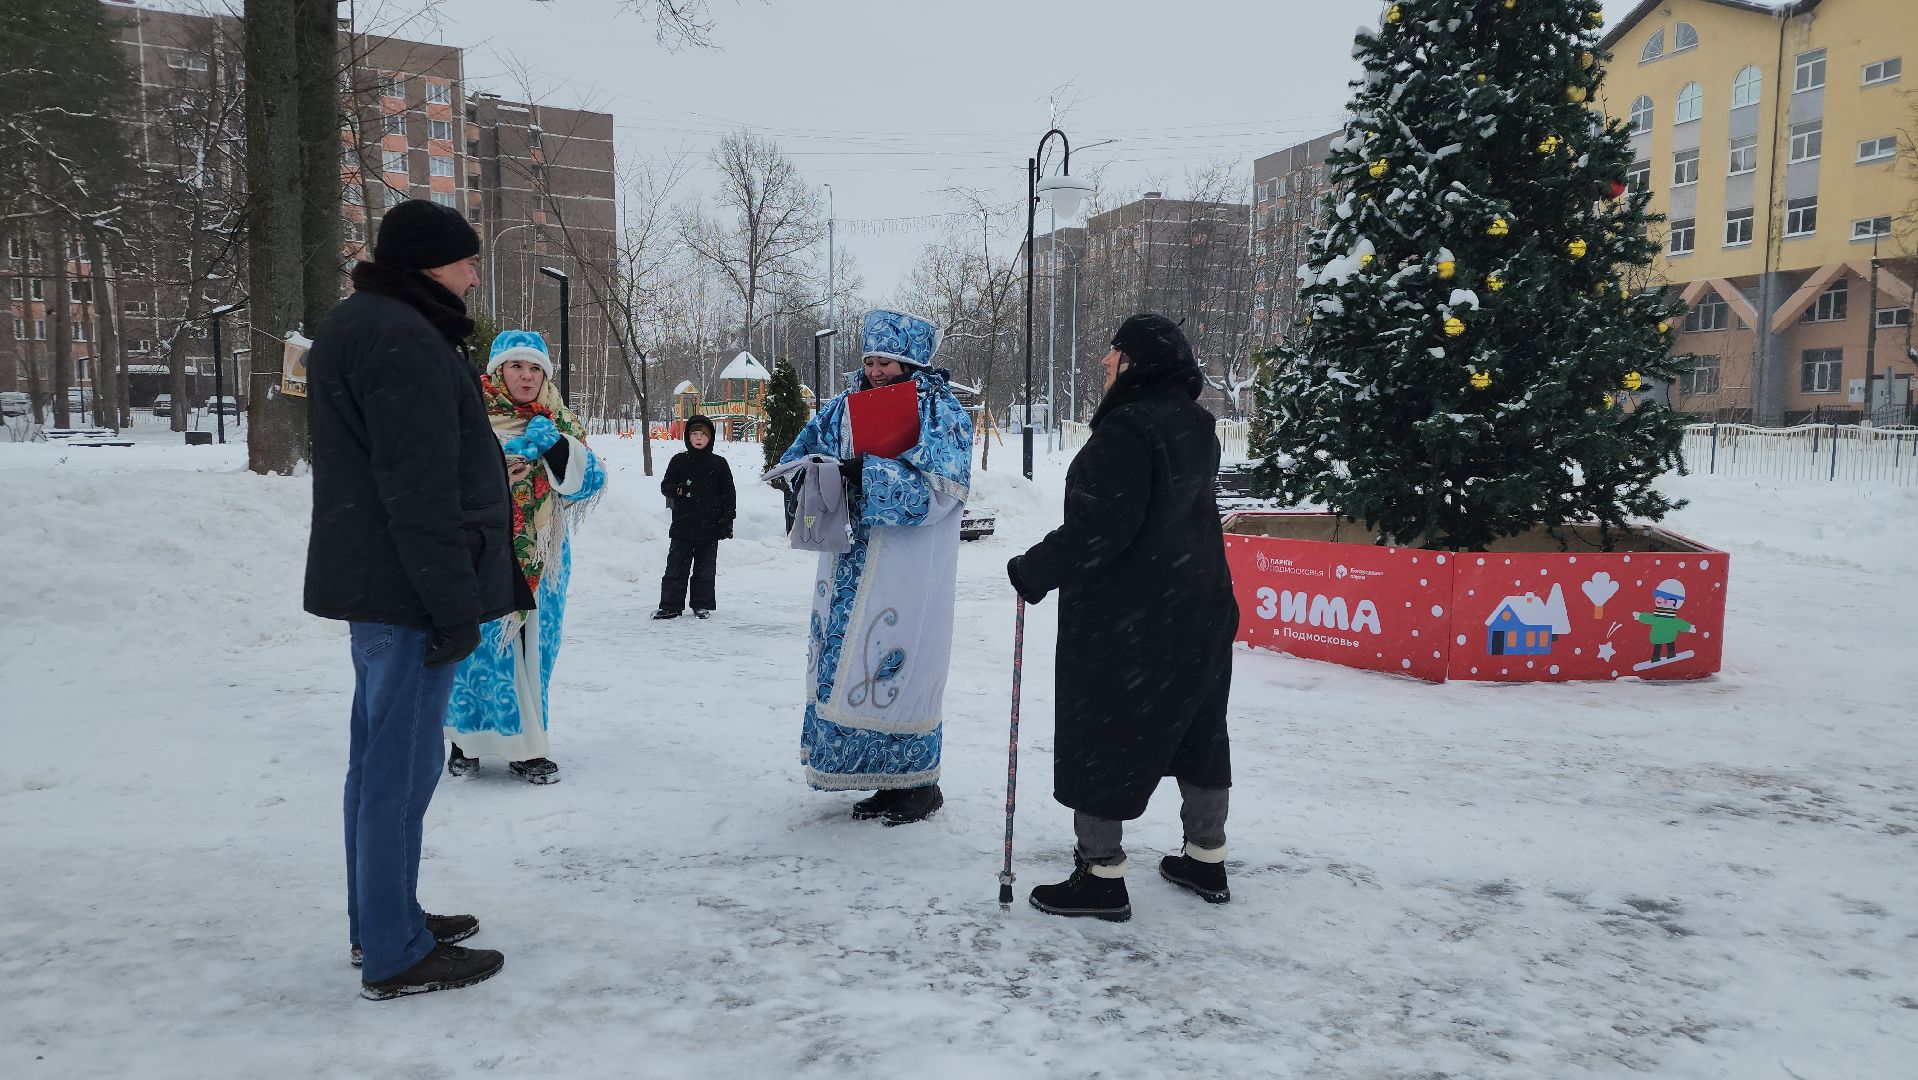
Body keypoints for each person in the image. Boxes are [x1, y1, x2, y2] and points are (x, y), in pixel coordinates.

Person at [304, 199, 521, 998]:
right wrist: (452, 601)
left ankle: (382, 921)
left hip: (382, 579)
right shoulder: (400, 337)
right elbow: (418, 487)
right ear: (431, 262)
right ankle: (395, 950)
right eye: (465, 260)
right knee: (401, 765)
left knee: (378, 760)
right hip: (406, 588)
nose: (473, 272)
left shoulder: (365, 323)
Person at [1006, 313, 1237, 922]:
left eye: (1113, 354)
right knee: (1199, 731)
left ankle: (1100, 875)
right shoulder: (1197, 424)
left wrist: (1033, 570)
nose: (1104, 364)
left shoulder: (1127, 428)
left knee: (1104, 734)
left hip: (1131, 617)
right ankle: (1205, 857)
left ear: (1133, 362)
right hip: (1200, 605)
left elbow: (1100, 529)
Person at [777, 309, 972, 825]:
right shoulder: (843, 405)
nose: (875, 369)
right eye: (869, 359)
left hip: (905, 565)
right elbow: (798, 456)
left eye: (885, 360)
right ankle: (885, 781)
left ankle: (917, 784)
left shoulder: (941, 412)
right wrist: (813, 475)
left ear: (909, 360)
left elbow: (943, 491)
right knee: (844, 667)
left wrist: (871, 474)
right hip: (846, 561)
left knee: (899, 666)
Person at [444, 330, 607, 784]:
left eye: (536, 368)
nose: (527, 376)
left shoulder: (557, 418)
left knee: (535, 650)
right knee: (479, 649)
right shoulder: (468, 415)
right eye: (517, 366)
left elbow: (590, 481)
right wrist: (497, 471)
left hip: (542, 554)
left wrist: (554, 446)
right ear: (498, 370)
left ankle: (526, 746)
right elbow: (441, 473)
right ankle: (464, 740)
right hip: (481, 547)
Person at [653, 414, 736, 619]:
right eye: (694, 434)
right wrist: (677, 490)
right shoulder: (679, 461)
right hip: (683, 524)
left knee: (705, 569)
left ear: (710, 438)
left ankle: (701, 604)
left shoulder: (719, 464)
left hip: (710, 525)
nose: (698, 438)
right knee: (676, 566)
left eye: (703, 434)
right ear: (688, 437)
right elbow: (666, 486)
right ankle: (671, 605)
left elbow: (728, 494)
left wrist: (727, 520)